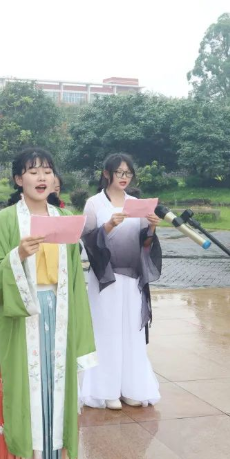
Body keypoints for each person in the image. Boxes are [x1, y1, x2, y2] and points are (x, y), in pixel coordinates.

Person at [0, 147, 96, 459]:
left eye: (47, 171)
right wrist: (17, 255)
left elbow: (75, 279)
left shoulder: (65, 220)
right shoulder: (5, 221)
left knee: (55, 388)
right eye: (33, 172)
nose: (41, 177)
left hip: (59, 315)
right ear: (19, 179)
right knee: (23, 388)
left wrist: (79, 328)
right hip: (22, 317)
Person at [80, 154, 162, 410]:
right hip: (107, 279)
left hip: (132, 279)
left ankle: (132, 388)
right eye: (119, 172)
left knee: (130, 332)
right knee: (107, 331)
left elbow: (144, 244)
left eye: (128, 173)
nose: (124, 177)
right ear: (107, 174)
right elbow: (87, 241)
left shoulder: (137, 204)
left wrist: (151, 229)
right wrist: (107, 227)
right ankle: (106, 390)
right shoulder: (94, 204)